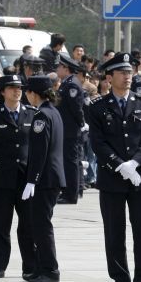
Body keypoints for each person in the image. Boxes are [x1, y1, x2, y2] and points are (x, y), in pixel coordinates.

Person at [88, 52, 141, 282]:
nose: (128, 77)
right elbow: (98, 142)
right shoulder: (97, 107)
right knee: (114, 230)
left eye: (130, 72)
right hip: (112, 176)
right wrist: (120, 164)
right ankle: (120, 279)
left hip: (139, 177)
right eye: (122, 73)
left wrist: (135, 163)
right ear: (109, 77)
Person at [0, 75, 37, 280]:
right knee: (0, 224)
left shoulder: (31, 114)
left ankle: (29, 266)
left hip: (24, 178)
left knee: (27, 225)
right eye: (12, 88)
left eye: (19, 88)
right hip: (1, 178)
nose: (17, 91)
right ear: (3, 91)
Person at [21, 75, 65, 282]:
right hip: (52, 177)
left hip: (45, 179)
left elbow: (40, 152)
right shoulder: (53, 112)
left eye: (27, 92)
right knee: (39, 224)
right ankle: (40, 268)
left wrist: (32, 180)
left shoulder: (41, 116)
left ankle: (50, 270)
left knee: (41, 225)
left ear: (33, 93)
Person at [55, 54, 86, 204]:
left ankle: (70, 194)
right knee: (72, 161)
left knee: (71, 162)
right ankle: (74, 190)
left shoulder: (72, 84)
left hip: (71, 130)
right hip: (67, 129)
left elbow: (76, 108)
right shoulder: (67, 83)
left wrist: (81, 124)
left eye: (59, 67)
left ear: (66, 69)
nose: (57, 69)